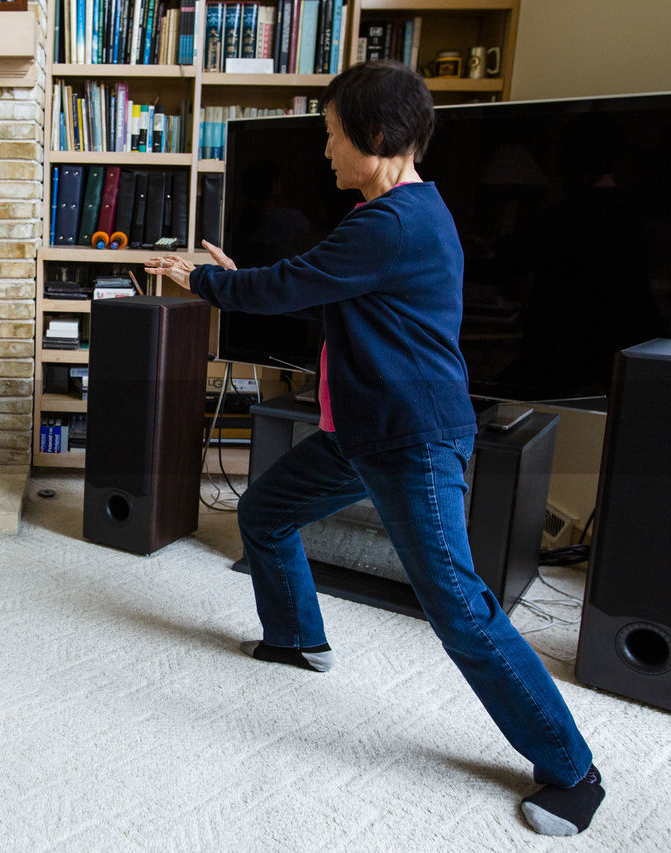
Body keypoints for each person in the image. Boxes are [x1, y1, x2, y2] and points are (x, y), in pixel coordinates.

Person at [144, 61, 603, 836]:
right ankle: (297, 637)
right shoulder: (397, 217)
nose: (326, 150)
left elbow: (291, 285)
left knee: (458, 606)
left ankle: (574, 769)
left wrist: (206, 282)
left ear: (378, 137)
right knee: (264, 511)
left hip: (412, 440)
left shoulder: (393, 223)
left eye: (332, 134)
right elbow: (307, 283)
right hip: (363, 431)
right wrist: (240, 279)